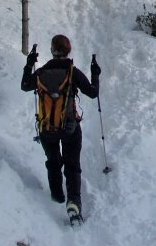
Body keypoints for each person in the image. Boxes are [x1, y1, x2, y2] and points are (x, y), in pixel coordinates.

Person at [21, 34, 100, 219]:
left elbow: (25, 85)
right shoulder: (73, 72)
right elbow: (93, 93)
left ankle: (56, 195)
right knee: (72, 165)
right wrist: (95, 74)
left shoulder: (41, 73)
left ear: (52, 50)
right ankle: (73, 203)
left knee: (53, 161)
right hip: (70, 128)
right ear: (68, 50)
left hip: (47, 127)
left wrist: (29, 64)